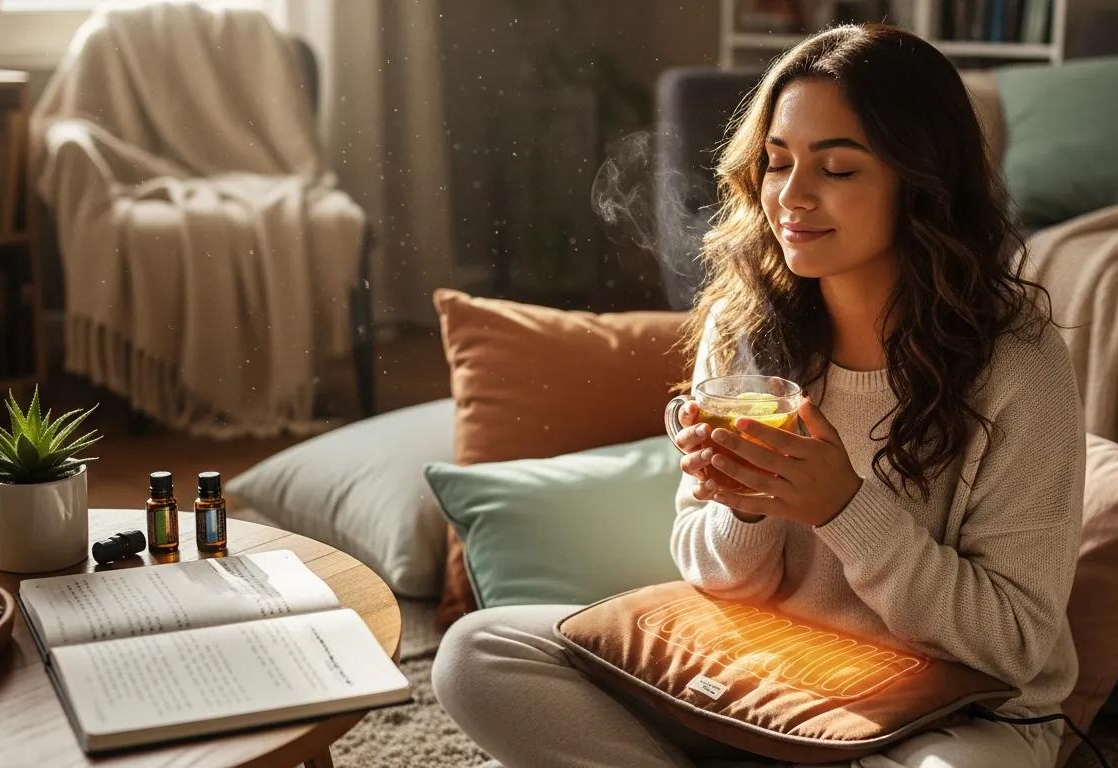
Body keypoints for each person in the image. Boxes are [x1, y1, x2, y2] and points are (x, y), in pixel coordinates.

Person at [432, 22, 1083, 768]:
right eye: (776, 163)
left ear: (922, 184)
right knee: (478, 652)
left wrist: (842, 506)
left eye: (836, 169)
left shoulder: (1016, 363)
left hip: (951, 709)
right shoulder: (750, 328)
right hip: (774, 677)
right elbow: (714, 579)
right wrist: (744, 505)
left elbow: (1015, 644)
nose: (792, 197)